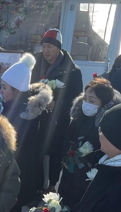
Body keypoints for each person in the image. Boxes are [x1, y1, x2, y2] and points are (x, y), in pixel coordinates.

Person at [42, 77, 121, 212]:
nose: (87, 103)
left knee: (79, 205)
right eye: (85, 98)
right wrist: (65, 156)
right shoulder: (78, 116)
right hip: (70, 169)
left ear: (103, 103)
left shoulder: (107, 125)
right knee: (63, 198)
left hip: (89, 174)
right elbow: (68, 138)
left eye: (92, 100)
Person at [0, 53, 52, 212]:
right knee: (15, 203)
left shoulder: (17, 117)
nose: (1, 91)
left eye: (4, 88)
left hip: (18, 169)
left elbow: (11, 146)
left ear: (16, 91)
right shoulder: (22, 108)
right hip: (24, 168)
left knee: (12, 203)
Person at [30, 28, 84, 190]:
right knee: (36, 153)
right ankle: (36, 187)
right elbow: (29, 87)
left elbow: (76, 99)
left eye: (50, 47)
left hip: (58, 120)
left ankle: (52, 185)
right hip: (38, 118)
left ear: (59, 47)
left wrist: (56, 103)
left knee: (55, 154)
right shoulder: (36, 64)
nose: (45, 51)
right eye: (44, 46)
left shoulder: (72, 70)